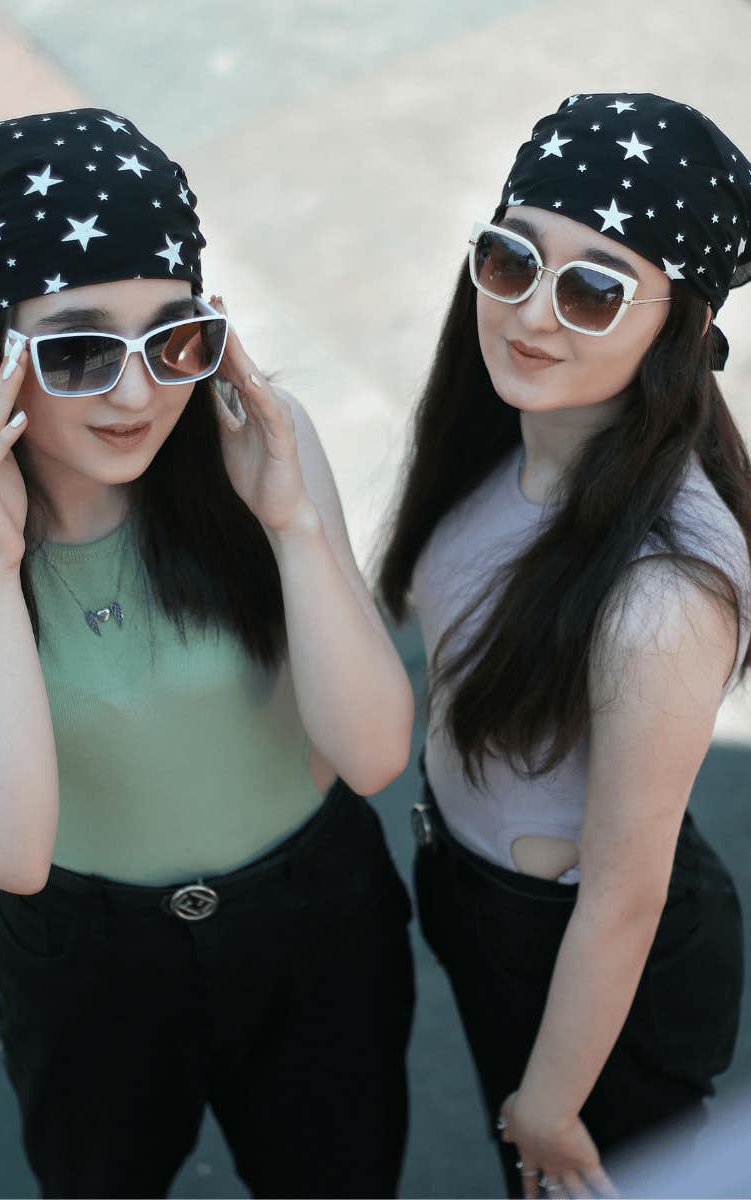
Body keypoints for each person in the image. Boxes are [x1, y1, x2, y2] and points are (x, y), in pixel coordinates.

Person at [0, 108, 415, 1200]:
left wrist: (291, 524)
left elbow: (371, 755)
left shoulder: (258, 447)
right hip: (88, 960)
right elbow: (9, 852)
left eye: (176, 338)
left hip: (316, 923)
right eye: (81, 349)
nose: (139, 394)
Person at [378, 91, 751, 1199]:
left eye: (594, 289)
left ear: (676, 328)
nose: (532, 315)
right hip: (479, 897)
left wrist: (549, 1104)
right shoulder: (499, 432)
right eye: (510, 260)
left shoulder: (659, 594)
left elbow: (623, 896)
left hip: (588, 970)